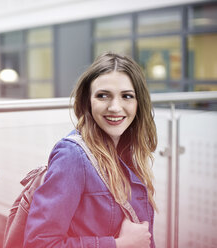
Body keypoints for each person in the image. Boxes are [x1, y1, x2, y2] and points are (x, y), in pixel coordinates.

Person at [24, 52, 157, 248]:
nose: (115, 107)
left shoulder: (126, 152)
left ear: (139, 103)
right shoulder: (72, 156)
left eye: (127, 96)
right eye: (103, 95)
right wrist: (119, 245)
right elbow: (38, 244)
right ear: (88, 101)